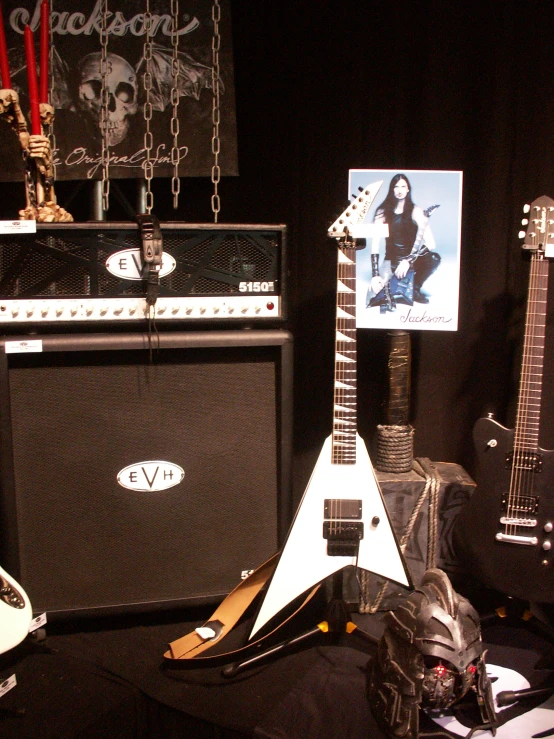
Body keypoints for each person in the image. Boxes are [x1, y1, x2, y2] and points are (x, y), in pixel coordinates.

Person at [368, 173, 440, 309]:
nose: (400, 190)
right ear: (391, 189)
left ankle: (415, 288)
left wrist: (408, 260)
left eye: (403, 186)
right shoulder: (382, 212)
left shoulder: (416, 211)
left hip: (411, 261)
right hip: (391, 261)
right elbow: (375, 243)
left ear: (408, 189)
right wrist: (375, 275)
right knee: (376, 296)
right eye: (396, 186)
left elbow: (431, 243)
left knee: (435, 258)